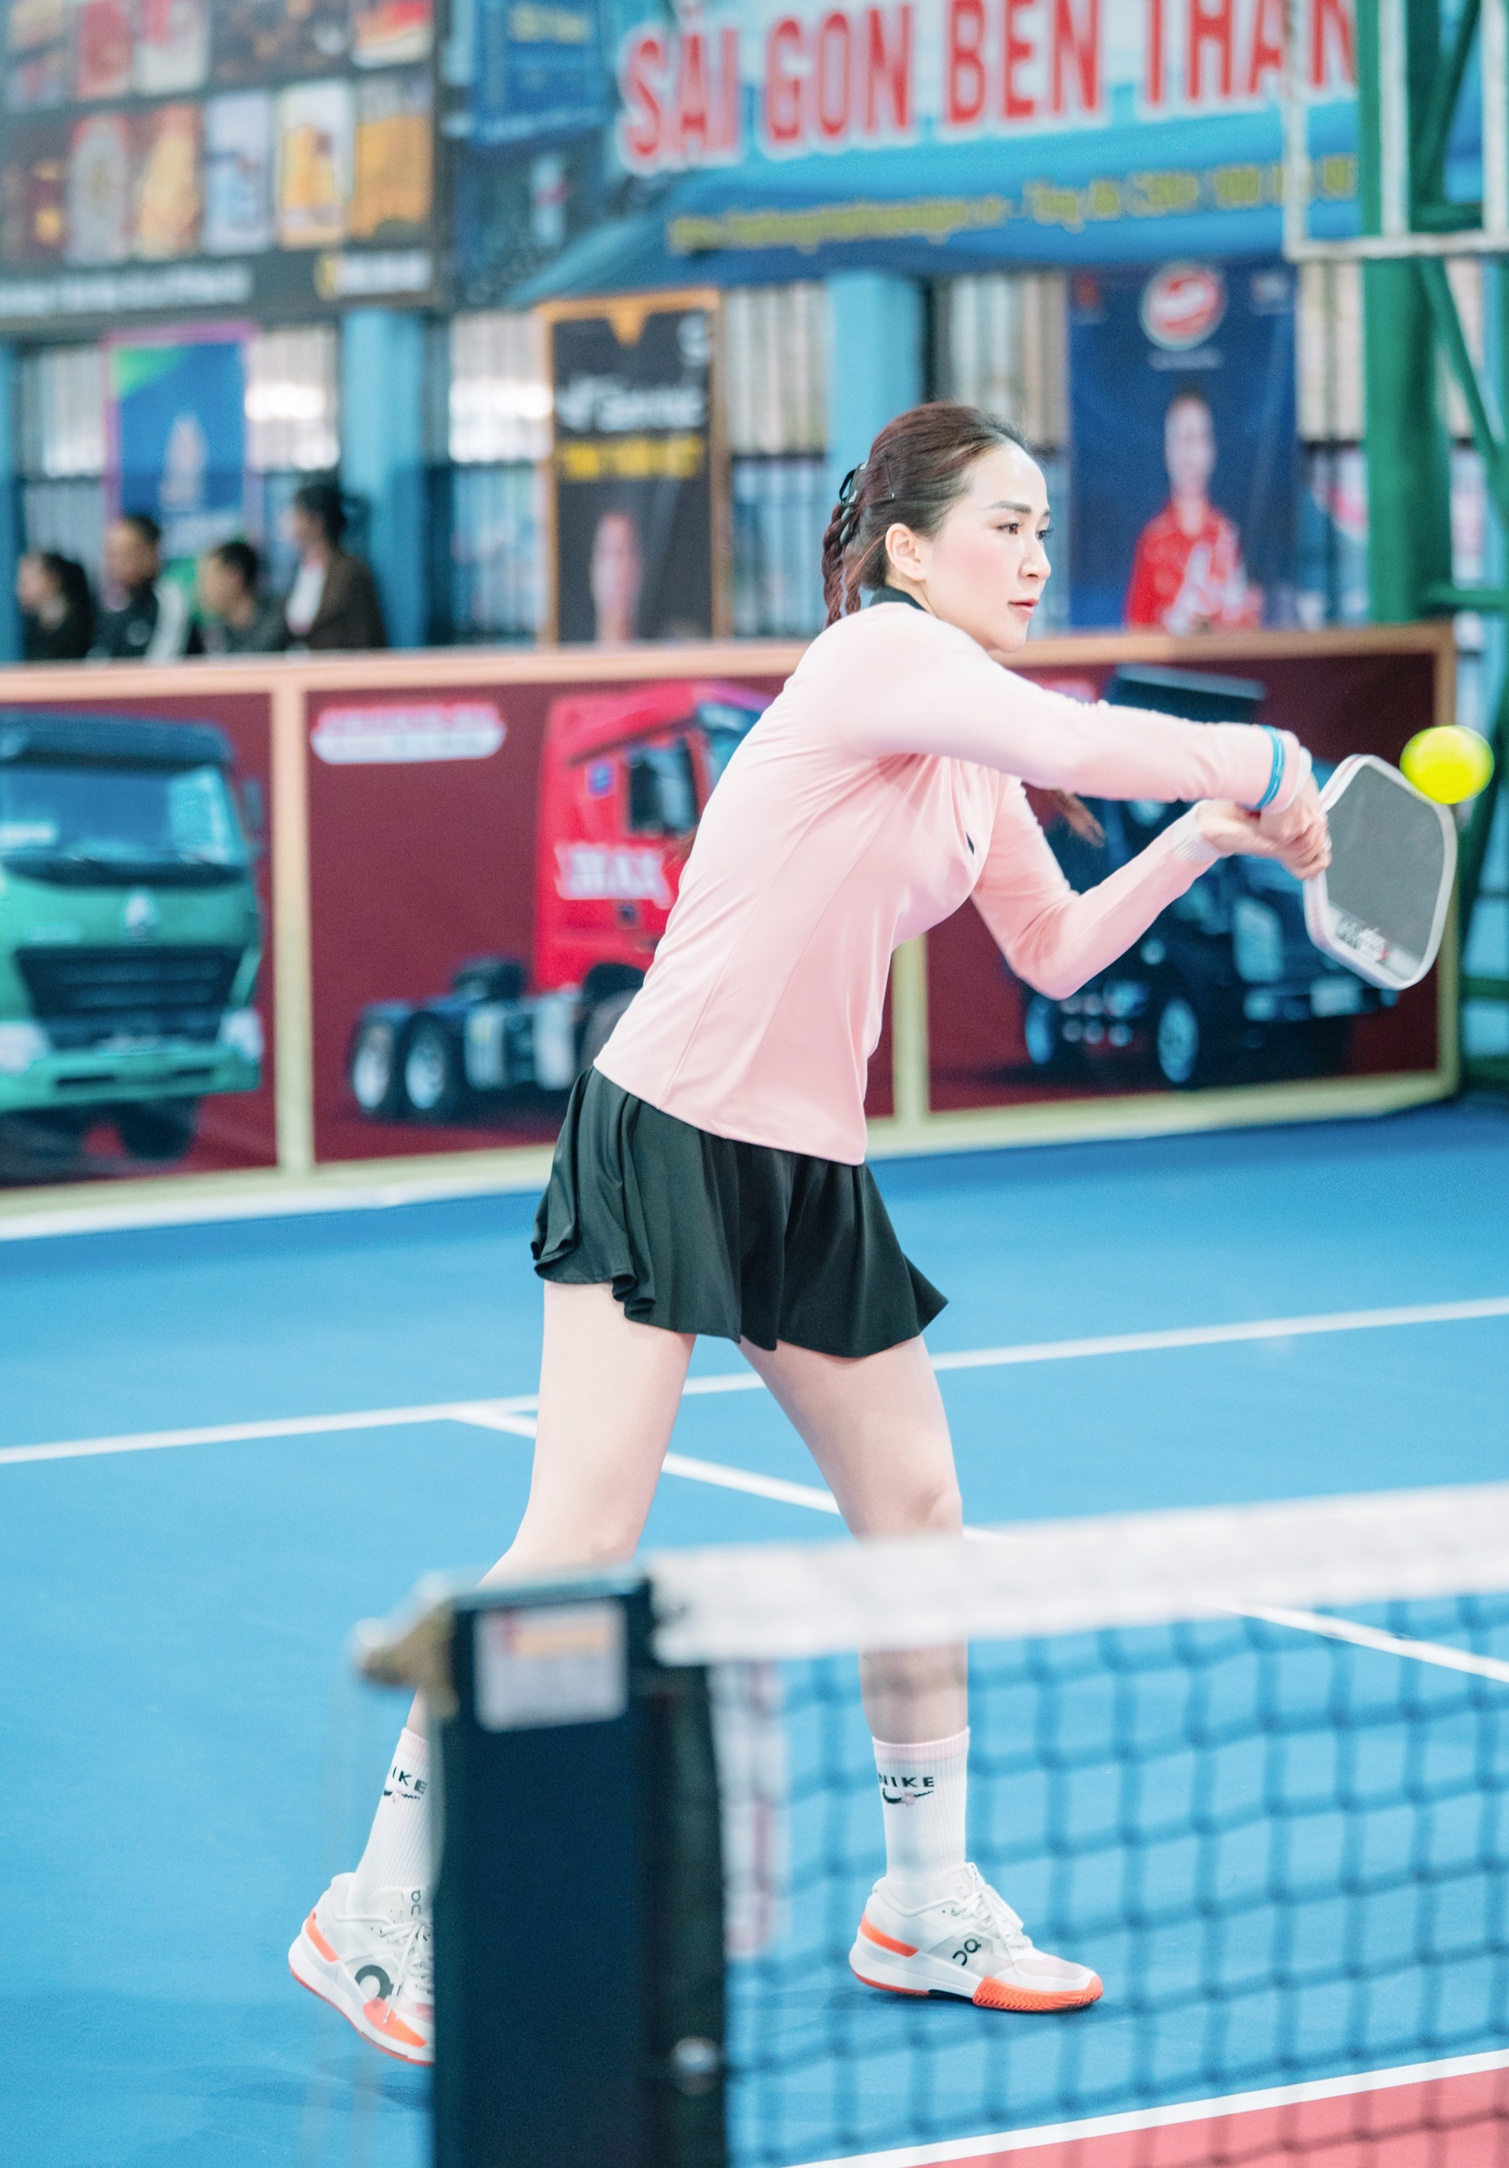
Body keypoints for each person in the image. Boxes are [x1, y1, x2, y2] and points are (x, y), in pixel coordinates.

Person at [288, 403, 1329, 2062]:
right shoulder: (870, 663)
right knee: (577, 1537)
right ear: (906, 548)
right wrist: (1252, 766)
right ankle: (375, 1901)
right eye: (1004, 525)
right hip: (664, 1130)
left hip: (808, 1171)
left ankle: (920, 1901)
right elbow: (1076, 742)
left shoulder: (968, 756)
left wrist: (1202, 842)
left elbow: (1054, 951)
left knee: (915, 1519)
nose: (1034, 557)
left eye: (1043, 528)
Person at [1124, 387, 1264, 634]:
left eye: (1199, 438)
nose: (1190, 453)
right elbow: (1136, 631)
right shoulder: (1153, 541)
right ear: (1167, 451)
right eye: (1181, 439)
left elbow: (1246, 624)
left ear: (1212, 449)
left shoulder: (1227, 535)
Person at [280, 482, 388, 651]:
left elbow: (367, 636)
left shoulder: (351, 572)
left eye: (295, 515)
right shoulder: (297, 570)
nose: (288, 522)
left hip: (340, 665)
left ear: (316, 521)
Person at [96, 513, 202, 660]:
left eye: (126, 553)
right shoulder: (114, 606)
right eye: (111, 554)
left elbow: (161, 664)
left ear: (151, 553)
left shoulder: (171, 601)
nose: (117, 563)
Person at [198, 538, 283, 654]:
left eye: (209, 578)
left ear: (233, 576)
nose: (204, 588)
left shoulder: (283, 621)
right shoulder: (218, 635)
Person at [16, 549, 95, 662]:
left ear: (53, 579)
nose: (20, 591)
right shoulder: (30, 630)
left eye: (27, 582)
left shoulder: (82, 628)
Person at [587, 506, 644, 643]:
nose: (616, 568)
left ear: (638, 568)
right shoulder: (564, 651)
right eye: (607, 553)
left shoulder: (673, 650)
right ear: (592, 571)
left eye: (623, 552)